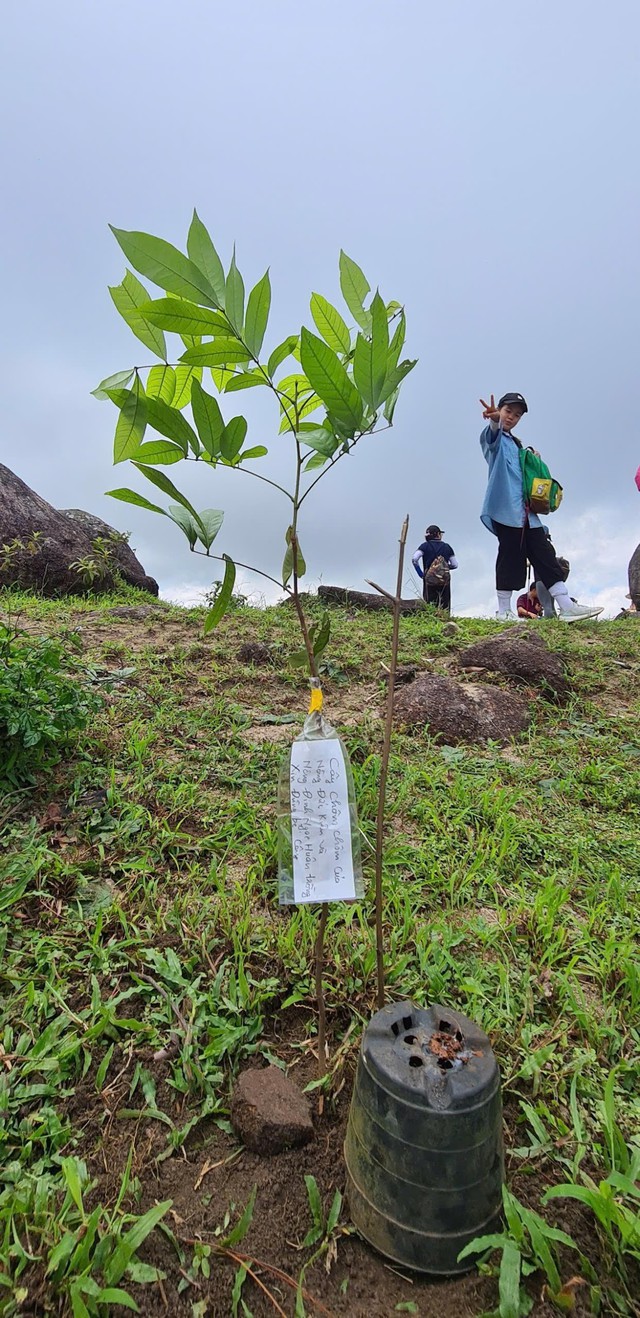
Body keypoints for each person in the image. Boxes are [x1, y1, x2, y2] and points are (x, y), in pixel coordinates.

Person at [478, 393, 602, 621]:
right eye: (508, 412)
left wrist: (531, 458)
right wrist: (494, 419)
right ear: (500, 410)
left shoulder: (517, 445)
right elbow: (492, 436)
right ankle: (503, 611)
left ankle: (567, 606)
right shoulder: (493, 441)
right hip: (506, 512)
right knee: (509, 558)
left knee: (546, 556)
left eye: (516, 415)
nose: (511, 418)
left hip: (528, 515)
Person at [412, 525, 458, 612]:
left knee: (429, 602)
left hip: (429, 579)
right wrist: (444, 567)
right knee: (444, 603)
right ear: (437, 534)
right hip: (444, 580)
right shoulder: (447, 547)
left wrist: (421, 574)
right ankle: (445, 620)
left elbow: (414, 559)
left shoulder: (424, 546)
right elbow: (455, 565)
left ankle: (430, 620)